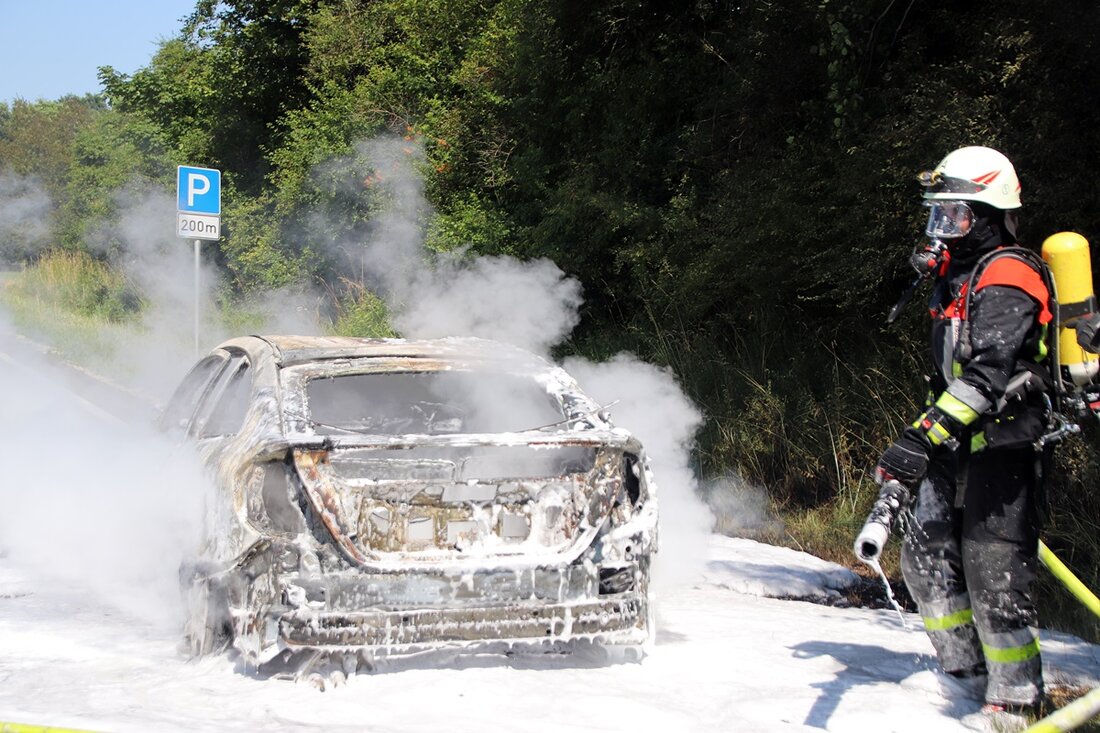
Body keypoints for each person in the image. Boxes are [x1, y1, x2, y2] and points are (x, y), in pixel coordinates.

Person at [874, 146, 1053, 720]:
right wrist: (926, 434)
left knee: (992, 577)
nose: (941, 231)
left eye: (953, 217)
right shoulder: (957, 276)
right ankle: (962, 680)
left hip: (1004, 445)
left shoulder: (1009, 274)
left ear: (988, 215)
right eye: (937, 216)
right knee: (923, 558)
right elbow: (946, 374)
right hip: (952, 441)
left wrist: (919, 438)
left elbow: (987, 374)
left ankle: (1015, 704)